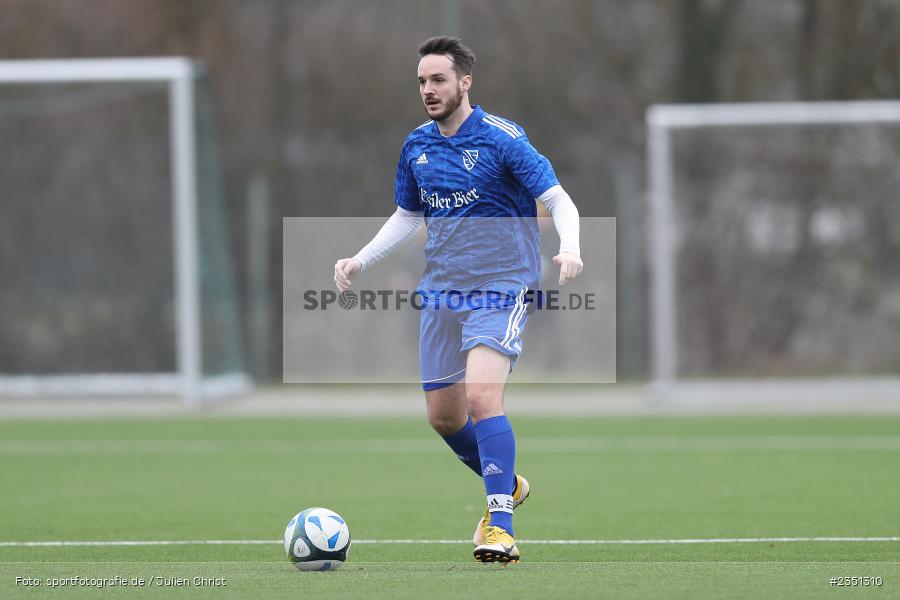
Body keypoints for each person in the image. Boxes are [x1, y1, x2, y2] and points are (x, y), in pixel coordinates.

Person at [334, 36, 582, 563]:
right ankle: (508, 484)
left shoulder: (502, 139)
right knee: (444, 418)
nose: (428, 89)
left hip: (502, 288)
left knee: (482, 399)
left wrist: (570, 248)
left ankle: (501, 527)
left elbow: (557, 198)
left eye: (438, 79)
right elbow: (409, 215)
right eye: (422, 81)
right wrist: (360, 260)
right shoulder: (416, 145)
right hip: (442, 293)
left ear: (465, 82)